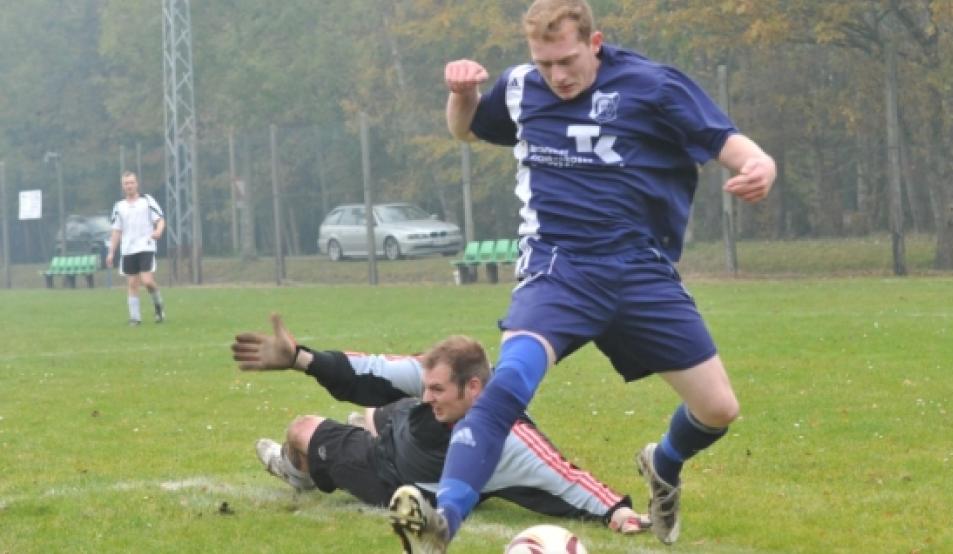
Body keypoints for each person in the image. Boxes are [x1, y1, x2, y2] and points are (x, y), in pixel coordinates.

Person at [389, 1, 777, 551]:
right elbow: (466, 130)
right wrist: (463, 94)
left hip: (640, 272)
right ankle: (443, 520)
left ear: (595, 43)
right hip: (558, 268)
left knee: (717, 410)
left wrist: (760, 164)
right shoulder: (522, 87)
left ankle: (663, 464)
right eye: (545, 63)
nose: (558, 76)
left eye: (568, 60)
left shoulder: (652, 85)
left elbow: (728, 143)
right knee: (506, 386)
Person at [230, 314, 648, 536]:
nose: (427, 396)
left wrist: (619, 511)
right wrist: (301, 358)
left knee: (302, 428)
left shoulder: (509, 441)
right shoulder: (431, 385)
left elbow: (566, 476)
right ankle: (344, 438)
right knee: (381, 408)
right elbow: (363, 368)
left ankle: (299, 471)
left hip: (394, 474)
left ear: (474, 388)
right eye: (426, 386)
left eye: (438, 390)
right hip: (402, 431)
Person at [106, 171, 166, 325]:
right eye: (126, 183)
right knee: (132, 284)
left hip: (146, 246)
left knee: (147, 281)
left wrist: (158, 231)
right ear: (123, 186)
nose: (129, 186)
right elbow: (116, 230)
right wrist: (111, 252)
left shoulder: (147, 201)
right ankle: (135, 317)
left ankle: (159, 306)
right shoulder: (119, 207)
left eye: (132, 182)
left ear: (137, 184)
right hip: (128, 249)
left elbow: (160, 220)